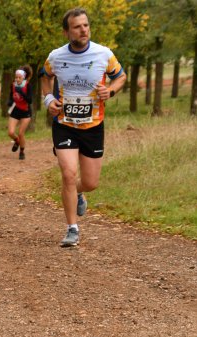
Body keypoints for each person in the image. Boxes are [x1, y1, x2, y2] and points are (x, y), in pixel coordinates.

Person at [39, 7, 126, 247]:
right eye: (77, 27)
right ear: (67, 32)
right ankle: (72, 228)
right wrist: (48, 101)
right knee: (68, 174)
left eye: (85, 25)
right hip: (64, 125)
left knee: (90, 182)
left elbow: (121, 76)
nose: (83, 30)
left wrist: (111, 90)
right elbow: (44, 77)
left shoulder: (103, 54)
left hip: (93, 125)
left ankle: (78, 192)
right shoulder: (56, 57)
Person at [6, 65, 33, 160]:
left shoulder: (28, 85)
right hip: (16, 110)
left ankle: (22, 151)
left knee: (21, 133)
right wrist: (9, 101)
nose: (17, 79)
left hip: (26, 111)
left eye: (19, 77)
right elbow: (11, 95)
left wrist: (22, 93)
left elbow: (30, 100)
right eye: (16, 77)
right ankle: (17, 141)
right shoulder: (13, 85)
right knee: (10, 132)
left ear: (23, 77)